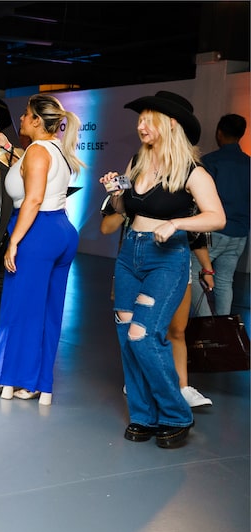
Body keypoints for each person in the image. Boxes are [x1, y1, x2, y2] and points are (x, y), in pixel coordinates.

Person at [100, 91, 225, 449]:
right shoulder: (137, 162)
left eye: (147, 119)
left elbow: (217, 217)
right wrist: (115, 193)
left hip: (166, 258)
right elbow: (123, 210)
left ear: (171, 124)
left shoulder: (192, 171)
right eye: (139, 120)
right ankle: (142, 415)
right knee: (126, 334)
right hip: (130, 256)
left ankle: (175, 414)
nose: (140, 126)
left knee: (143, 335)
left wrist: (176, 223)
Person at [0, 94, 85, 406]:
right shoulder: (55, 149)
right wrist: (7, 147)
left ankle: (1, 377)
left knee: (16, 310)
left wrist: (14, 241)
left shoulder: (37, 152)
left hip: (37, 232)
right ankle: (36, 383)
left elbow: (33, 199)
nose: (20, 119)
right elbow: (29, 166)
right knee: (46, 312)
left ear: (37, 120)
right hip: (61, 231)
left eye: (25, 114)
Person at [100, 200, 213, 408]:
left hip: (176, 262)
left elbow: (197, 239)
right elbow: (106, 227)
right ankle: (138, 381)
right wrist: (128, 207)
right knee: (136, 328)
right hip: (137, 262)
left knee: (177, 330)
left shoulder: (189, 190)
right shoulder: (133, 189)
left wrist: (207, 269)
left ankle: (182, 387)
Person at [190, 114, 250, 316]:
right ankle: (222, 328)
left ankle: (206, 322)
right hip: (240, 233)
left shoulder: (209, 162)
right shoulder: (248, 164)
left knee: (195, 274)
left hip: (213, 232)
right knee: (225, 282)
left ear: (219, 133)